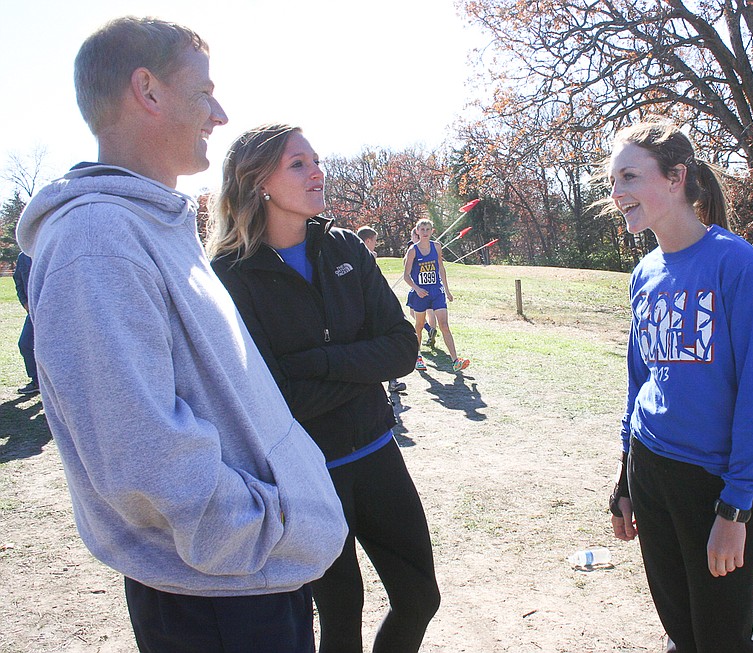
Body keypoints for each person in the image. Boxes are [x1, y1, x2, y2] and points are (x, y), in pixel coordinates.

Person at [15, 18, 347, 653]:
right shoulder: (97, 242)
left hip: (242, 581)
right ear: (148, 90)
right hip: (218, 597)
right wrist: (257, 532)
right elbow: (137, 450)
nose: (219, 113)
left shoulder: (149, 225)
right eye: (203, 92)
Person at [209, 124, 440, 653]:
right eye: (298, 164)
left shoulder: (347, 249)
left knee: (420, 597)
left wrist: (316, 363)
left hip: (379, 455)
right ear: (258, 181)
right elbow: (274, 398)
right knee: (340, 619)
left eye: (316, 160)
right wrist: (360, 373)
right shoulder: (230, 275)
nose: (318, 172)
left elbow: (403, 347)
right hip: (307, 475)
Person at [606, 122, 753, 653]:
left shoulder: (737, 265)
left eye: (630, 177)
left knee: (723, 640)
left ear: (677, 177)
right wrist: (625, 478)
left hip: (715, 487)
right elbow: (641, 381)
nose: (617, 194)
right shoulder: (644, 274)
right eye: (613, 181)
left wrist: (735, 509)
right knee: (682, 634)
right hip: (652, 470)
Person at [404, 218, 469, 373]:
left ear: (432, 231)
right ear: (417, 231)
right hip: (421, 294)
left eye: (428, 230)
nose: (425, 232)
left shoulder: (437, 247)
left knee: (444, 325)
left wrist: (447, 290)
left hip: (436, 292)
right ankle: (417, 356)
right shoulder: (412, 250)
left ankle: (455, 360)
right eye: (422, 230)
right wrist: (417, 289)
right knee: (419, 326)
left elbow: (441, 267)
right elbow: (406, 275)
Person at [357, 225, 407, 393]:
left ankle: (390, 381)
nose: (375, 244)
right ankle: (389, 381)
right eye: (375, 241)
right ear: (368, 241)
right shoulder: (364, 256)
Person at [406, 227, 437, 347]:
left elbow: (406, 268)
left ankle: (429, 329)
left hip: (418, 286)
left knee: (413, 312)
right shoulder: (422, 248)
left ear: (416, 236)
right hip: (431, 286)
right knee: (430, 312)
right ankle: (431, 332)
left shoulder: (413, 249)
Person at [13, 251, 38, 395]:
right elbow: (18, 281)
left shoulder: (50, 251)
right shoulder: (23, 257)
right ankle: (36, 381)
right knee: (25, 344)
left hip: (55, 311)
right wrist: (24, 302)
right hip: (34, 312)